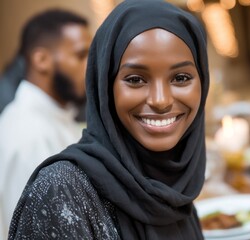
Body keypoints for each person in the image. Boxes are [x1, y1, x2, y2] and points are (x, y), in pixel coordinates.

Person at [8, 0, 209, 239]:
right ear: (106, 87)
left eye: (181, 77)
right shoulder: (60, 191)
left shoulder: (174, 185)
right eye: (135, 79)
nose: (161, 100)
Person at [0, 9, 91, 235]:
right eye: (81, 55)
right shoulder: (30, 137)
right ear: (41, 60)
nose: (90, 67)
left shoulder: (55, 117)